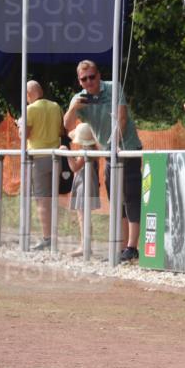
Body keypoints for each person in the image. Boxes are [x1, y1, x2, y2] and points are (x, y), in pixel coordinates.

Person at [63, 60, 144, 263]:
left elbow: (122, 118)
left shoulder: (113, 87)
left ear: (99, 75)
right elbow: (66, 125)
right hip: (109, 154)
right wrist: (73, 108)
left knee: (131, 198)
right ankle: (122, 248)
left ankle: (132, 247)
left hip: (127, 150)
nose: (89, 81)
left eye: (92, 76)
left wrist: (114, 145)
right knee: (117, 200)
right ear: (79, 81)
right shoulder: (79, 98)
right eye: (84, 79)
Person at [23, 81, 64, 250]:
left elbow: (25, 135)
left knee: (42, 200)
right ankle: (54, 235)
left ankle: (48, 238)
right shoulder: (56, 106)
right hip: (56, 157)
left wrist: (20, 126)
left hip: (38, 158)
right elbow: (62, 130)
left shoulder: (30, 110)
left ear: (28, 94)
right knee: (54, 198)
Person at [67, 123, 102, 257]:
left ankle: (84, 246)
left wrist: (67, 154)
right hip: (87, 183)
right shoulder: (94, 150)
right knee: (84, 216)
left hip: (84, 185)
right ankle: (85, 245)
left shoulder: (85, 151)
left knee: (82, 217)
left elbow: (75, 167)